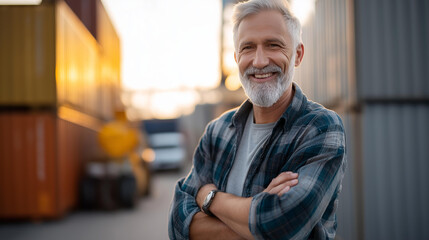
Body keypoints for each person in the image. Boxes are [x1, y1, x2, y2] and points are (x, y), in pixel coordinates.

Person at [168, 0, 346, 239]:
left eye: (273, 45)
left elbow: (280, 227)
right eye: (248, 48)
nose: (259, 61)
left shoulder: (320, 128)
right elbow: (177, 226)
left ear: (298, 55)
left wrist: (209, 198)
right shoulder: (217, 132)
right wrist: (257, 215)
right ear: (236, 57)